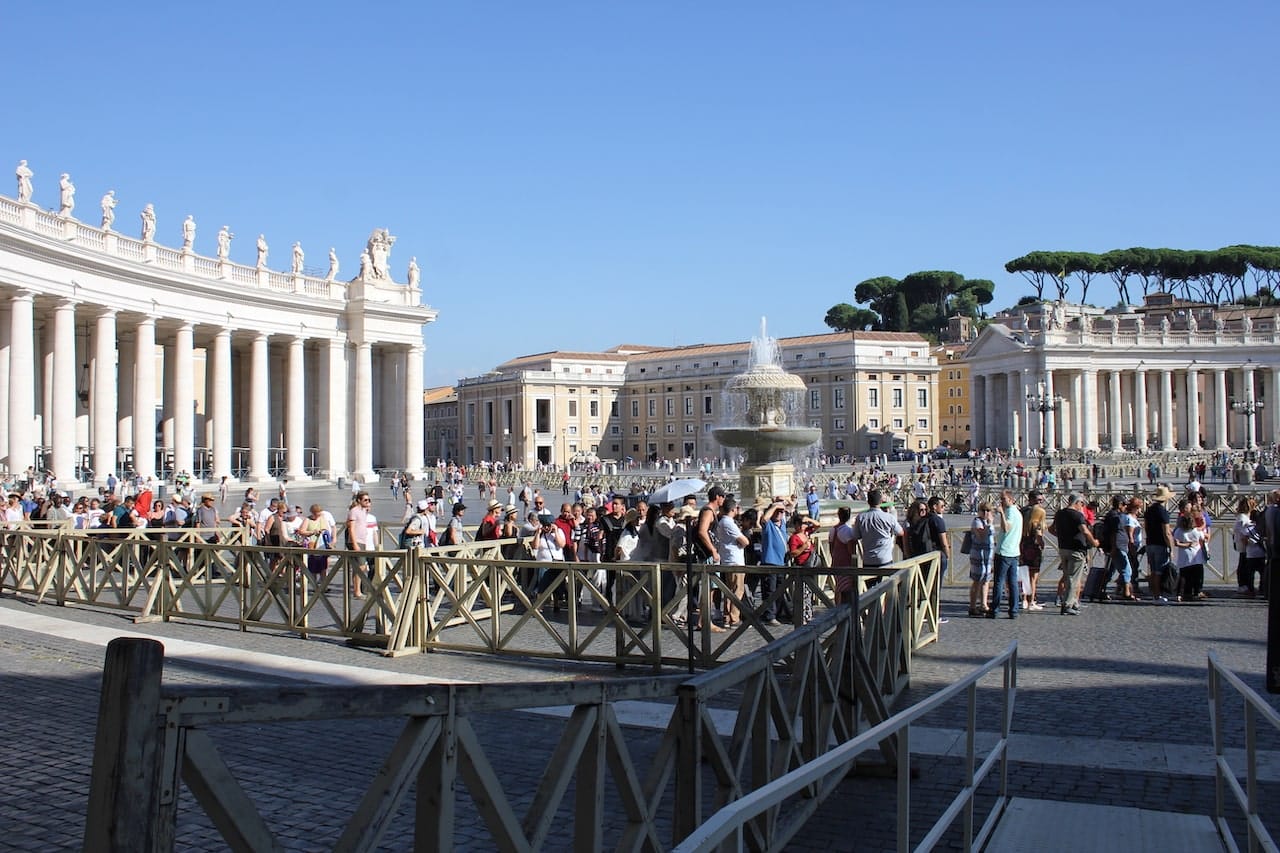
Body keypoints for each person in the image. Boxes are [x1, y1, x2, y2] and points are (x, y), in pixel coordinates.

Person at [1054, 493, 1097, 616]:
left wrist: (1062, 537)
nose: (1082, 507)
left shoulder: (1060, 513)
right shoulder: (1077, 515)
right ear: (1077, 503)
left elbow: (1051, 529)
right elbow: (1085, 531)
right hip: (1076, 550)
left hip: (1063, 548)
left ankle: (1073, 602)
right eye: (1082, 504)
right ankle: (1067, 605)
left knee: (1068, 576)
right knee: (1074, 578)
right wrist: (1094, 542)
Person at [989, 489, 1023, 619]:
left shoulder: (1010, 513)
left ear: (1010, 499)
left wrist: (1001, 513)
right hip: (1014, 551)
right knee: (1012, 582)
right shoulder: (1017, 513)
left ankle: (995, 609)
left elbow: (1006, 528)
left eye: (1003, 499)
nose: (1001, 502)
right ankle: (1013, 610)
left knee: (999, 582)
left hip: (1005, 552)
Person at [715, 497, 749, 627]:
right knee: (737, 590)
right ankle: (734, 618)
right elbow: (745, 541)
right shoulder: (729, 523)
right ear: (733, 509)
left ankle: (727, 617)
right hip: (735, 560)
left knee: (729, 590)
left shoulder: (721, 522)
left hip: (727, 559)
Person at [1145, 485, 1177, 602]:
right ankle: (1157, 596)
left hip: (1150, 542)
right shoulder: (1163, 512)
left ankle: (1154, 593)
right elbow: (1166, 532)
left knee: (1153, 570)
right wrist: (1171, 548)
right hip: (1160, 544)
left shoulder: (1149, 510)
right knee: (1159, 571)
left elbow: (1147, 527)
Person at [968, 502, 994, 616]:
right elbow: (982, 536)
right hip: (978, 554)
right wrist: (989, 524)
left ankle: (984, 604)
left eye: (988, 510)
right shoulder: (977, 521)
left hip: (988, 554)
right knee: (977, 580)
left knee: (986, 579)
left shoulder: (988, 522)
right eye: (983, 510)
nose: (986, 513)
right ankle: (972, 606)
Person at [828, 505, 857, 607]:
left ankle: (837, 607)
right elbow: (850, 550)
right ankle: (845, 608)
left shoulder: (833, 530)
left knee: (838, 587)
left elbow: (831, 547)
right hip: (846, 563)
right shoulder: (847, 531)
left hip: (836, 561)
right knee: (846, 588)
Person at [346, 492, 372, 598]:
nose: (368, 502)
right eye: (365, 500)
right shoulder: (354, 511)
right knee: (361, 566)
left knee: (360, 566)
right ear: (359, 500)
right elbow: (351, 528)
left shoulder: (363, 511)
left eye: (369, 500)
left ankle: (357, 590)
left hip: (362, 541)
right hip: (356, 541)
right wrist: (355, 543)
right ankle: (357, 591)